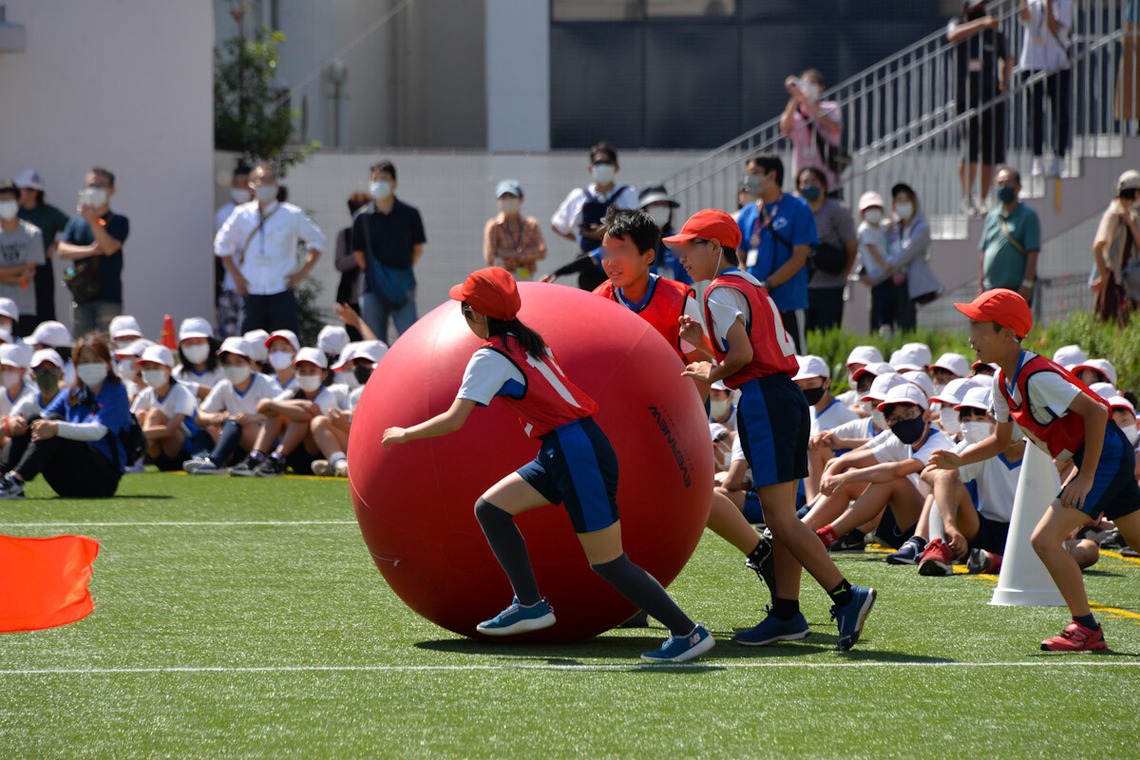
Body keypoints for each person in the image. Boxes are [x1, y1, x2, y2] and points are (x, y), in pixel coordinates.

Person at [381, 267, 713, 662]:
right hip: (564, 449)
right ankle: (530, 604)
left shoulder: (490, 356)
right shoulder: (527, 342)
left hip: (575, 451)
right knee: (491, 508)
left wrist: (404, 434)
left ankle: (688, 633)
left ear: (480, 314)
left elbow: (454, 419)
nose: (464, 317)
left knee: (608, 562)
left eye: (465, 308)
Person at [668, 209, 876, 650]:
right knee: (779, 519)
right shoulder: (749, 283)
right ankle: (786, 612)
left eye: (690, 246)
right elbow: (750, 353)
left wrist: (709, 368)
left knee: (781, 519)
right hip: (779, 396)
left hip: (766, 400)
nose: (682, 256)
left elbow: (741, 357)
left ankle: (845, 596)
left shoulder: (719, 290)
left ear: (715, 247)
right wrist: (709, 351)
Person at [930, 289, 1140, 651]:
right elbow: (1000, 441)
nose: (970, 337)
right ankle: (1085, 627)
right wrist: (958, 460)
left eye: (978, 327)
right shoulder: (1001, 381)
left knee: (1043, 539)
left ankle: (1085, 627)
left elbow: (1097, 411)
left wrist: (1086, 476)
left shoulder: (1036, 376)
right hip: (1102, 453)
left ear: (1008, 334)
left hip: (1103, 454)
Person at [0, 335, 130, 500]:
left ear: (108, 364)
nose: (90, 365)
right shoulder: (71, 393)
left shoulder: (116, 391)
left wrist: (56, 428)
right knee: (35, 420)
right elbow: (41, 421)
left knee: (52, 422)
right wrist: (15, 423)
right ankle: (3, 477)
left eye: (96, 360)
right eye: (84, 362)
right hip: (68, 478)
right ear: (76, 366)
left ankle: (15, 481)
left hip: (102, 479)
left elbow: (98, 431)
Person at [214, 161, 326, 335]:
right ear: (252, 186)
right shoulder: (241, 214)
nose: (265, 184)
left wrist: (302, 273)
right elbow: (221, 244)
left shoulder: (291, 214)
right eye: (260, 179)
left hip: (281, 289)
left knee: (285, 343)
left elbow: (318, 242)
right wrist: (236, 276)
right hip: (251, 290)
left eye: (269, 180)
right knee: (250, 346)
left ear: (276, 185)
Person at [592, 208, 707, 369]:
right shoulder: (596, 302)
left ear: (648, 257)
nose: (611, 261)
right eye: (606, 252)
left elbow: (702, 368)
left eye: (621, 251)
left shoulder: (680, 301)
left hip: (672, 391)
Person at [736, 153, 817, 353]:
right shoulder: (747, 213)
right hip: (755, 305)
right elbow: (739, 253)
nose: (748, 180)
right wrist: (747, 280)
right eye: (747, 174)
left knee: (796, 361)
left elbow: (800, 257)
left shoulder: (798, 207)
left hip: (788, 301)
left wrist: (768, 285)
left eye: (754, 173)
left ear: (772, 176)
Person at [351, 161, 427, 343]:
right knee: (375, 345)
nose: (378, 183)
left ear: (394, 183)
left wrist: (401, 270)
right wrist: (375, 273)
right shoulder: (362, 217)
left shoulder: (410, 214)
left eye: (384, 179)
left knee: (410, 340)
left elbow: (418, 249)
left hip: (403, 286)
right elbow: (359, 254)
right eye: (375, 179)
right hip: (371, 288)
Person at [948, 2, 1012, 215]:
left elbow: (1008, 57)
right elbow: (952, 36)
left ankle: (983, 199)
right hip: (967, 99)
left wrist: (1005, 78)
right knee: (970, 151)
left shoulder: (993, 33)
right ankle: (966, 198)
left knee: (989, 154)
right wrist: (981, 24)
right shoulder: (959, 24)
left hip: (990, 98)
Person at [550, 142, 639, 292]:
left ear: (616, 167)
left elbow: (636, 227)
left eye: (606, 162)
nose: (602, 166)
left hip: (618, 262)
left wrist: (605, 234)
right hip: (588, 264)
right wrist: (581, 237)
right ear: (590, 168)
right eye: (598, 163)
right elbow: (557, 224)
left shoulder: (627, 193)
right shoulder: (579, 195)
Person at [185, 337, 280, 475]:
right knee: (209, 431)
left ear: (251, 363)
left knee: (235, 423)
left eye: (238, 361)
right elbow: (200, 417)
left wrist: (254, 418)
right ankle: (201, 457)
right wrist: (218, 418)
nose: (232, 367)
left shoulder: (266, 383)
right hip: (236, 443)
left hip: (265, 444)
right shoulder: (224, 386)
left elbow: (282, 412)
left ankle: (215, 462)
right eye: (227, 362)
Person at [56, 167, 129, 335]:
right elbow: (62, 250)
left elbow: (109, 248)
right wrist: (89, 251)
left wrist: (93, 220)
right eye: (91, 185)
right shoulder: (76, 222)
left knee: (108, 345)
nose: (94, 190)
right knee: (81, 346)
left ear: (112, 190)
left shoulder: (119, 221)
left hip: (109, 297)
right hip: (81, 297)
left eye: (100, 186)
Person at [1018, 0, 1073, 179]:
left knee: (1059, 112)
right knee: (1034, 114)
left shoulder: (1064, 2)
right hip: (1032, 63)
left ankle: (1059, 156)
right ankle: (1037, 158)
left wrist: (1049, 5)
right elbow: (1025, 17)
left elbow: (1054, 27)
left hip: (1056, 63)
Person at [797, 168, 856, 331]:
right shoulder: (797, 212)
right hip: (802, 287)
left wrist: (845, 272)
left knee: (828, 332)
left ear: (824, 186)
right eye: (804, 183)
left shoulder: (838, 210)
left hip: (830, 286)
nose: (808, 186)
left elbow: (851, 245)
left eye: (813, 182)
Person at [131, 344, 199, 471]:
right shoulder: (146, 393)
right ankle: (137, 460)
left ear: (169, 370)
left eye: (156, 367)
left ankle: (137, 460)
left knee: (154, 414)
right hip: (159, 456)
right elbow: (131, 423)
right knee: (141, 414)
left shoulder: (181, 391)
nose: (150, 372)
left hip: (185, 453)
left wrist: (137, 436)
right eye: (147, 368)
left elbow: (170, 430)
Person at [14, 168, 69, 324]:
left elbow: (74, 229)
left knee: (45, 311)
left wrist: (56, 245)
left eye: (21, 190)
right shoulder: (13, 213)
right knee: (20, 313)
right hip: (17, 269)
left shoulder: (50, 213)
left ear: (33, 192)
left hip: (42, 269)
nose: (17, 193)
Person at [779, 69, 845, 196]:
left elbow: (833, 127)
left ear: (821, 87)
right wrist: (796, 96)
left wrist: (810, 104)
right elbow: (785, 128)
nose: (808, 87)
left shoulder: (830, 108)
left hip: (828, 179)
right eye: (804, 84)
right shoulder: (796, 113)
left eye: (812, 83)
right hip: (803, 177)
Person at [979, 168, 1041, 300]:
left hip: (1015, 290)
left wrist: (1027, 284)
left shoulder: (1028, 216)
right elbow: (983, 252)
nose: (1002, 187)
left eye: (1007, 183)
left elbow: (1033, 253)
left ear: (1018, 187)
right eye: (999, 184)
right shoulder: (991, 216)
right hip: (990, 290)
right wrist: (981, 285)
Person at [887, 183, 940, 331]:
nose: (902, 204)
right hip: (892, 284)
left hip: (911, 286)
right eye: (898, 200)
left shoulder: (921, 227)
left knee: (907, 325)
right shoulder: (893, 227)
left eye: (906, 200)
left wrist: (885, 267)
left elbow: (906, 254)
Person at [1091, 170, 1140, 325]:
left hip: (1129, 281)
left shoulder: (1132, 215)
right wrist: (1103, 275)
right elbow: (1098, 246)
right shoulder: (1112, 214)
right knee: (1111, 323)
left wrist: (1131, 224)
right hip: (1114, 280)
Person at [0, 179, 45, 335]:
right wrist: (17, 278)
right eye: (2, 201)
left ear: (19, 201)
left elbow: (30, 269)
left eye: (9, 200)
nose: (5, 204)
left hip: (24, 309)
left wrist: (5, 273)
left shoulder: (33, 233)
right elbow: (24, 271)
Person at [215, 163, 252, 337]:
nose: (240, 188)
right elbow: (224, 250)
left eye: (245, 183)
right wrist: (237, 277)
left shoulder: (261, 213)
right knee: (228, 338)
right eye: (237, 183)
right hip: (232, 286)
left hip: (257, 288)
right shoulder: (224, 214)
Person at [483, 180, 546, 281]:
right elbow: (490, 257)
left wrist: (506, 253)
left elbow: (542, 251)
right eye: (504, 198)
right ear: (497, 200)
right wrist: (525, 254)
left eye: (512, 197)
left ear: (521, 199)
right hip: (502, 278)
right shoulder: (493, 226)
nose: (508, 201)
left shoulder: (531, 224)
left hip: (526, 276)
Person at [855, 191, 897, 335]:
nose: (874, 212)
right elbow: (872, 249)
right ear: (862, 213)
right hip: (877, 274)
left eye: (877, 208)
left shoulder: (878, 226)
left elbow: (888, 223)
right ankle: (881, 331)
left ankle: (885, 330)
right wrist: (883, 265)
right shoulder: (865, 229)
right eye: (870, 209)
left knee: (887, 303)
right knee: (881, 304)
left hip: (884, 274)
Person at [334, 192, 371, 342]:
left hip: (374, 295)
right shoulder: (345, 234)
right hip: (351, 297)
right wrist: (360, 255)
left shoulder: (378, 234)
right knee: (353, 338)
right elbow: (340, 263)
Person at [637, 185, 688, 284]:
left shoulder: (677, 242)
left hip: (672, 297)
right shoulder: (632, 240)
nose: (660, 208)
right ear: (643, 210)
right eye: (655, 204)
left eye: (664, 204)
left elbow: (685, 282)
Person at [173, 317, 222, 401]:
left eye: (199, 341)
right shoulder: (176, 375)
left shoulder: (224, 372)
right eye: (188, 343)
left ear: (210, 344)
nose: (194, 347)